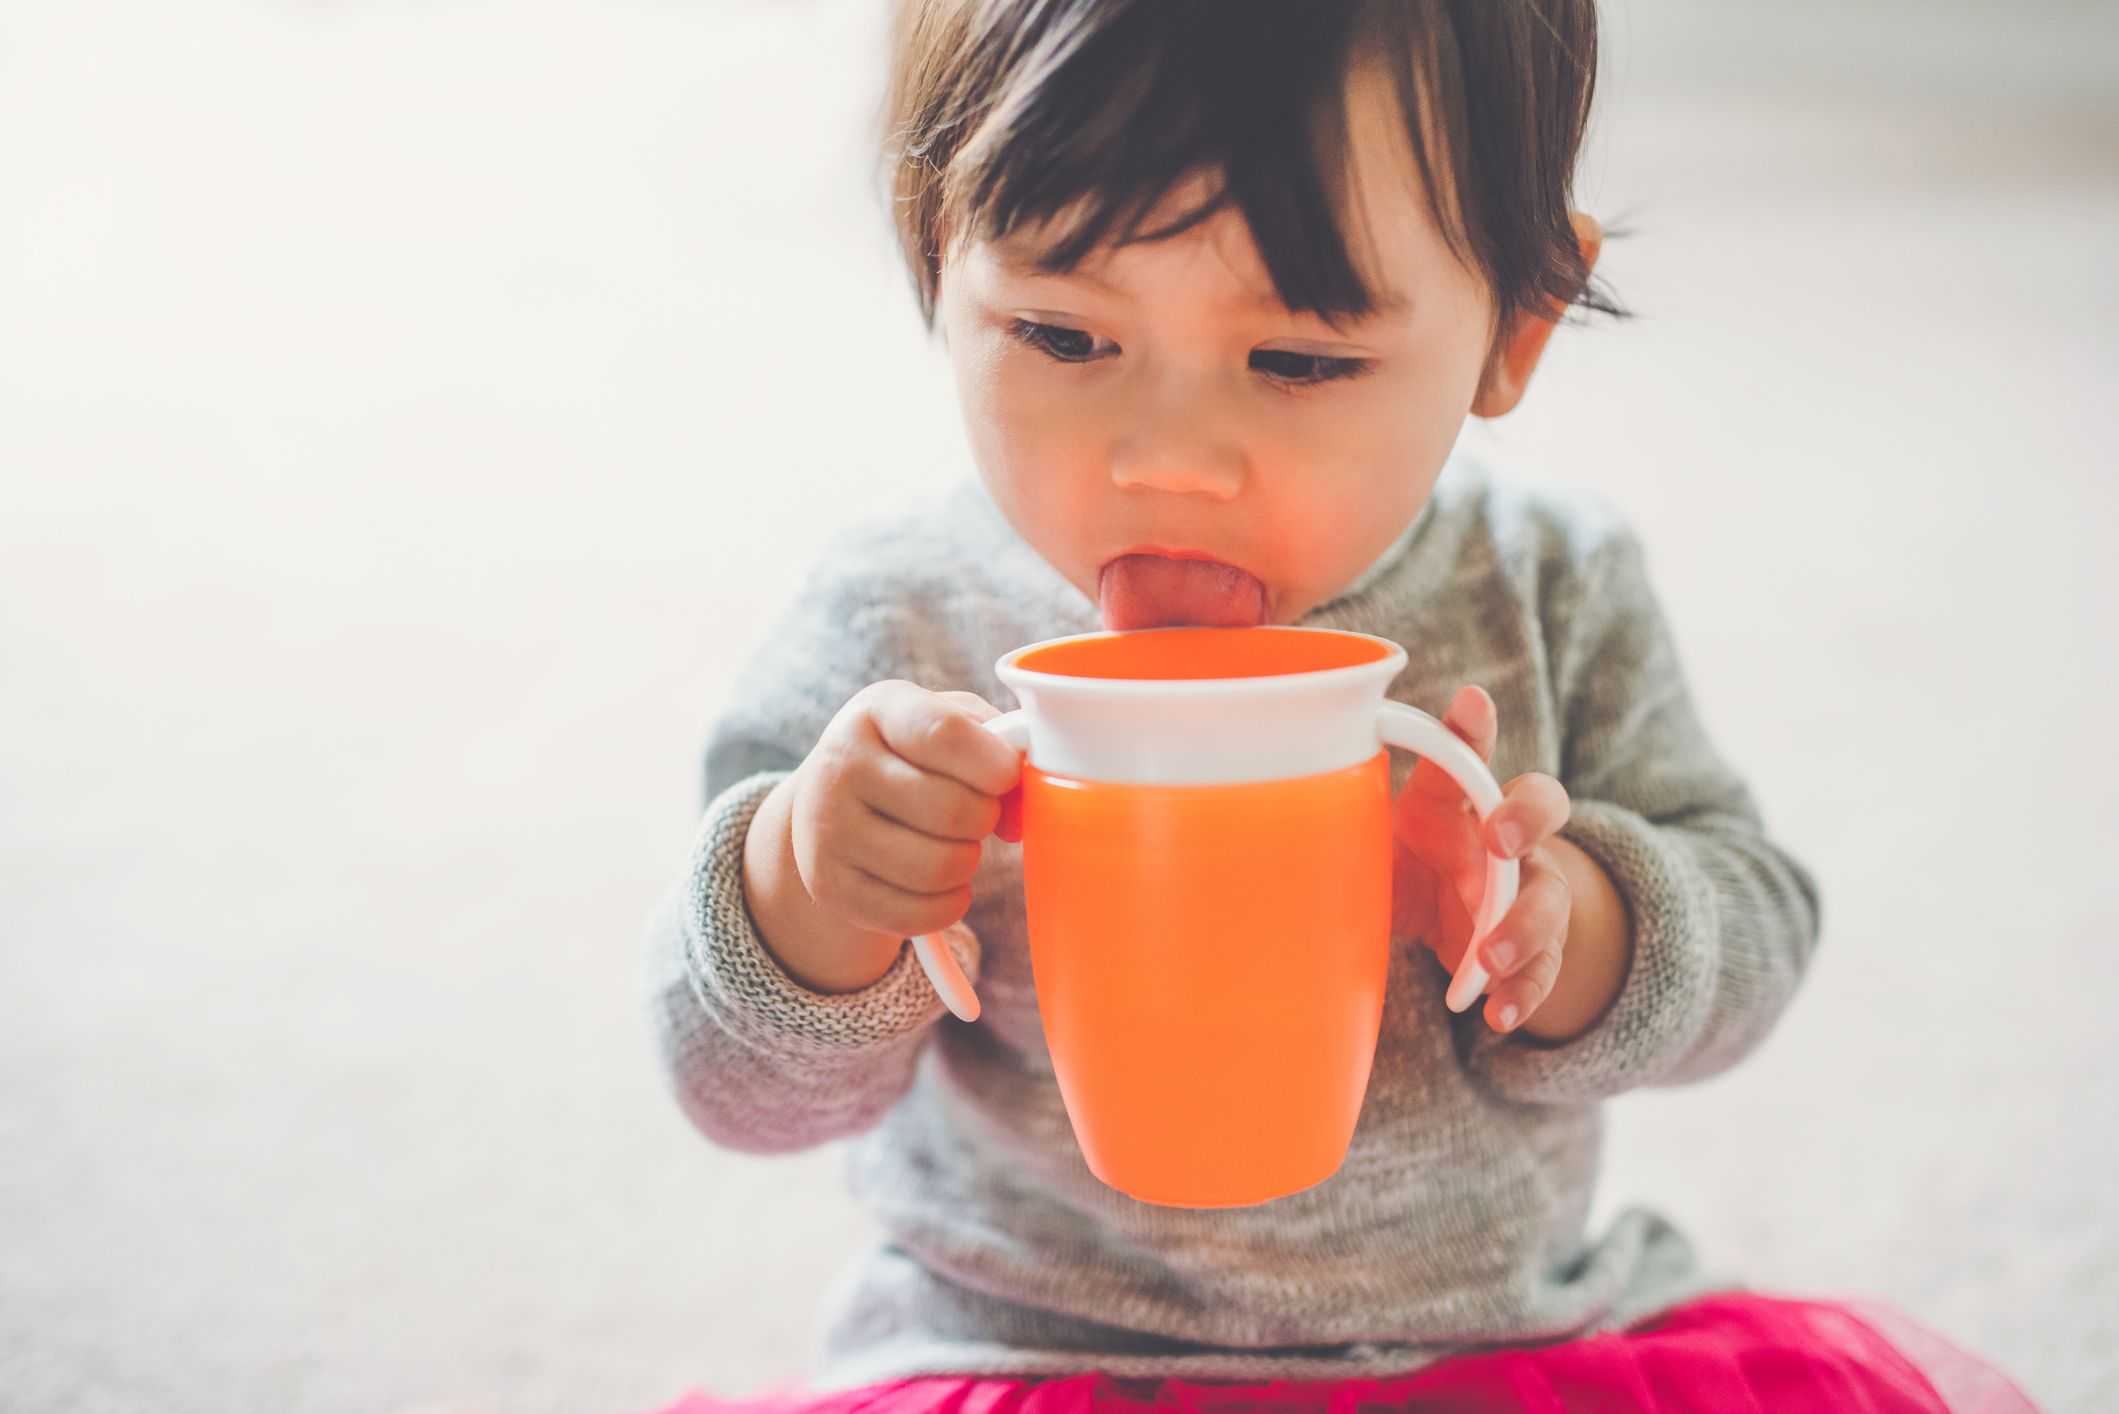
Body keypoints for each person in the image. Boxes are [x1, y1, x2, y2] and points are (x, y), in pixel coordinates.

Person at [637, 2, 2039, 1410]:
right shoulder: (901, 625)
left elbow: (1760, 928)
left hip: (1497, 1353)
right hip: (1028, 1359)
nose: (1170, 462)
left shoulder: (1544, 583)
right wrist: (811, 895)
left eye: (1299, 361)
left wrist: (1578, 925)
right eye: (1062, 336)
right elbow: (729, 1089)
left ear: (1519, 327)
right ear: (938, 255)